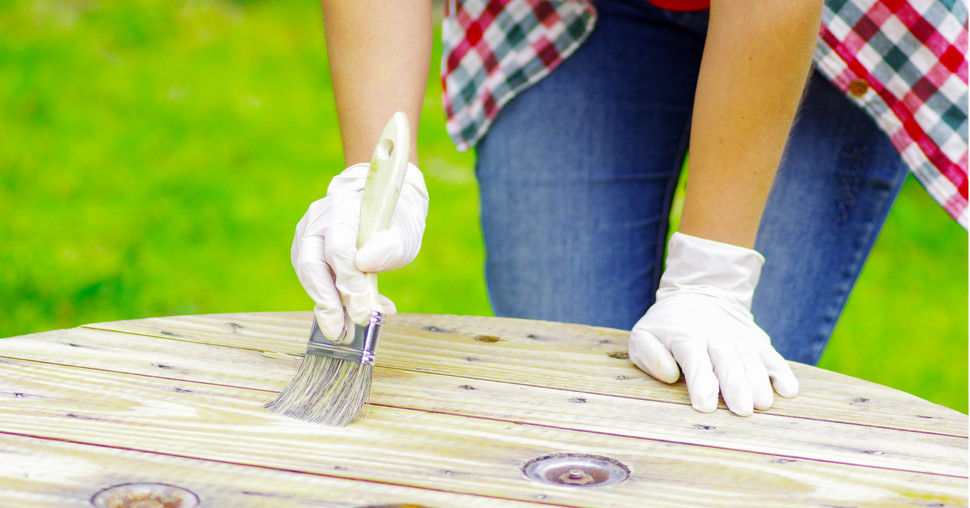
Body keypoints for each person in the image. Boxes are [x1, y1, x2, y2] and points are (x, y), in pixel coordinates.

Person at [291, 0, 968, 417]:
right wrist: (374, 178)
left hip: (826, 22)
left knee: (721, 398)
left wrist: (713, 273)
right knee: (561, 392)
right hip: (565, 10)